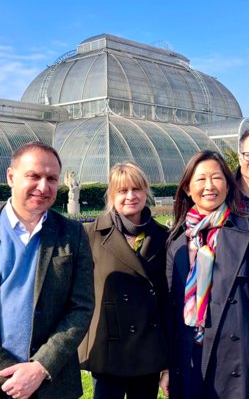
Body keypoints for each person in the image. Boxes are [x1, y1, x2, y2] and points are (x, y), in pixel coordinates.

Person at [166, 150, 249, 399]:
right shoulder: (177, 242)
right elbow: (168, 308)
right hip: (188, 357)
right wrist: (165, 365)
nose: (209, 186)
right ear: (188, 188)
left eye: (217, 178)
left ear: (228, 185)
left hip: (237, 359)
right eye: (200, 180)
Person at [0, 141, 94, 399]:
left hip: (54, 383)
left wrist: (41, 366)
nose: (44, 187)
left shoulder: (72, 234)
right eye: (33, 176)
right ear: (11, 176)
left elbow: (81, 307)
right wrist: (8, 370)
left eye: (52, 178)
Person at [79, 162, 169, 399]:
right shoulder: (91, 235)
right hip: (109, 347)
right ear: (112, 195)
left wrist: (168, 357)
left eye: (136, 189)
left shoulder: (164, 237)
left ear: (146, 192)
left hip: (147, 348)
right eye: (122, 191)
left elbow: (167, 298)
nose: (131, 196)